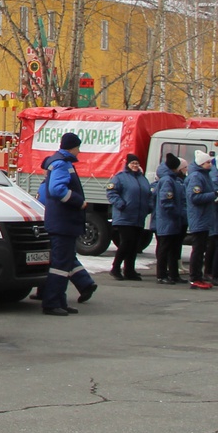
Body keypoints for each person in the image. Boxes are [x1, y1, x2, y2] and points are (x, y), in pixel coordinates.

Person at [36, 131, 96, 315]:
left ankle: (60, 301)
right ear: (74, 147)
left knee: (64, 262)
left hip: (63, 222)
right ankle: (52, 303)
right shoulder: (61, 163)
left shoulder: (61, 162)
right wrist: (79, 201)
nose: (79, 151)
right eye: (78, 147)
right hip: (63, 222)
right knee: (60, 265)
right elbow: (57, 189)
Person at [107, 153, 152, 281]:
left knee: (134, 245)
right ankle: (115, 268)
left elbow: (149, 195)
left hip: (138, 217)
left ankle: (129, 270)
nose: (135, 165)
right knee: (126, 243)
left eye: (137, 163)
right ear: (127, 164)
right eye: (132, 163)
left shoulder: (143, 179)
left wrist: (149, 207)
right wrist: (121, 204)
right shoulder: (120, 177)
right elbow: (111, 192)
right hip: (124, 217)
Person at [185, 149, 218, 290]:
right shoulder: (196, 177)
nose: (210, 165)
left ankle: (198, 276)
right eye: (207, 162)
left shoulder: (205, 176)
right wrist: (214, 194)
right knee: (198, 249)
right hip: (199, 217)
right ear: (201, 163)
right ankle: (195, 277)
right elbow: (194, 198)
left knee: (202, 248)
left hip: (205, 218)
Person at [151, 152, 187, 283]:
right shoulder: (167, 181)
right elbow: (166, 201)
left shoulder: (174, 180)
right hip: (167, 220)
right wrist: (177, 213)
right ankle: (161, 275)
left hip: (173, 220)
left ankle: (173, 274)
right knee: (164, 248)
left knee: (174, 249)